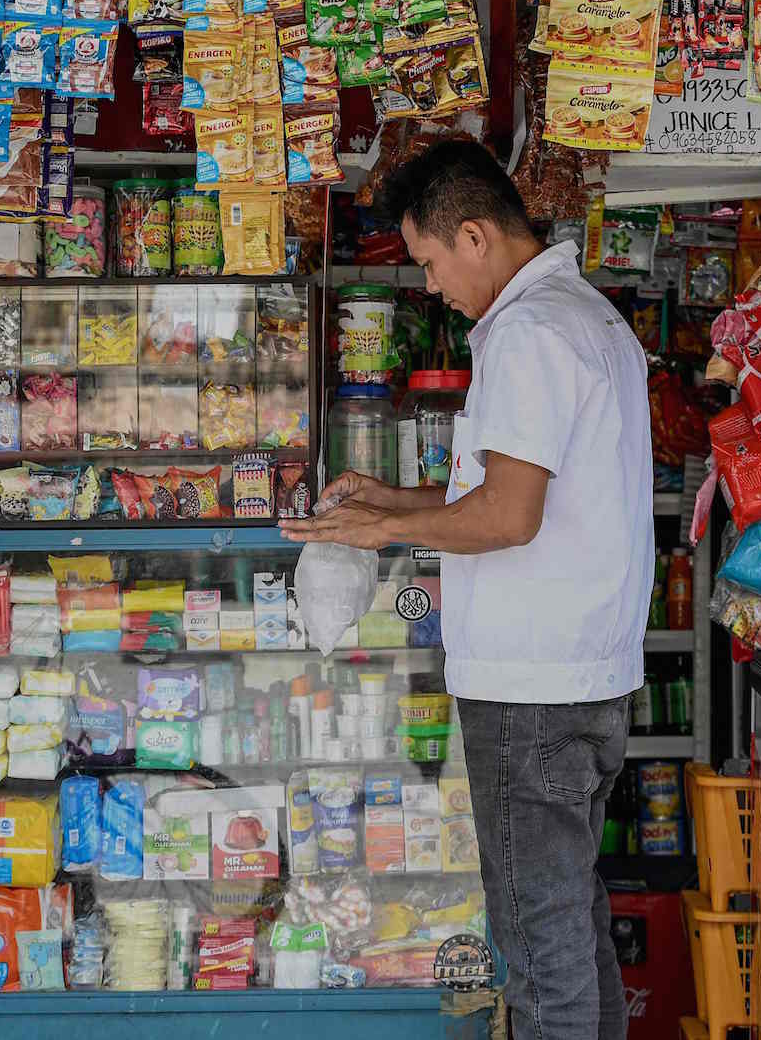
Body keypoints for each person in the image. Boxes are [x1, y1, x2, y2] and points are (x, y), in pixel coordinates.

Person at [282, 138, 654, 1040]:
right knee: (569, 926)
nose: (432, 285)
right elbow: (515, 496)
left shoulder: (530, 333)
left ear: (476, 236)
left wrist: (382, 530)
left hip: (533, 695)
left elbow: (508, 518)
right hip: (580, 680)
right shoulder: (585, 317)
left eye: (430, 260)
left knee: (540, 948)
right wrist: (391, 499)